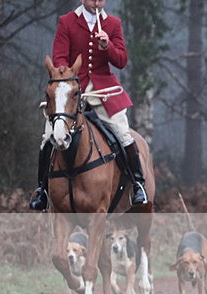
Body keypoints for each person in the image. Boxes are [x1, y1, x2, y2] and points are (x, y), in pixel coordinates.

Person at [29, 0, 147, 210]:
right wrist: (67, 81)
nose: (97, 2)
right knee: (48, 136)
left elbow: (121, 60)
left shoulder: (113, 23)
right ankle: (42, 191)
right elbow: (59, 58)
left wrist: (107, 46)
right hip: (73, 88)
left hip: (103, 90)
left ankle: (138, 184)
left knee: (123, 133)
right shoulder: (67, 22)